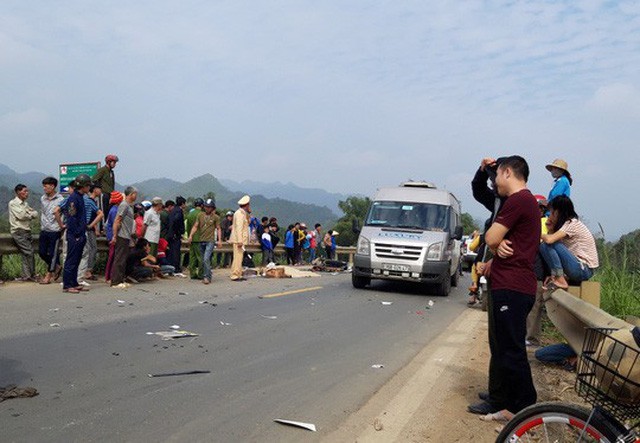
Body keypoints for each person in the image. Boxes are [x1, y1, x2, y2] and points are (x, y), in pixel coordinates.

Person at [467, 155, 539, 420]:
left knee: (511, 350)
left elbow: (491, 236)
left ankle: (522, 408)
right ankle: (508, 401)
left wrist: (495, 242)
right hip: (508, 283)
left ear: (507, 172)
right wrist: (494, 257)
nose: (495, 181)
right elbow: (508, 244)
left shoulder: (519, 199)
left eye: (497, 175)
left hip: (513, 287)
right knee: (503, 347)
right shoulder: (521, 201)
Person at [539, 195, 599, 290]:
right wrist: (550, 227)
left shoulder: (572, 224)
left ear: (557, 212)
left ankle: (559, 278)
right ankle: (558, 277)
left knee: (546, 244)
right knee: (546, 245)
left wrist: (536, 233)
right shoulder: (566, 225)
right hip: (579, 267)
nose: (549, 215)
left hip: (583, 269)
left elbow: (549, 240)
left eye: (551, 212)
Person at [62, 174, 91, 293]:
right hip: (75, 235)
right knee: (71, 260)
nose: (89, 188)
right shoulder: (73, 198)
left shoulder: (80, 197)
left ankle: (74, 282)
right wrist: (77, 234)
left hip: (80, 233)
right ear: (83, 186)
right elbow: (72, 218)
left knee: (77, 259)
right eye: (88, 185)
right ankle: (67, 285)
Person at [9, 184, 38, 281]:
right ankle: (32, 275)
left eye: (27, 191)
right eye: (25, 191)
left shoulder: (25, 204)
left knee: (26, 253)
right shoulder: (13, 203)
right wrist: (30, 214)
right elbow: (21, 216)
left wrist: (29, 214)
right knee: (29, 252)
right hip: (18, 231)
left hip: (26, 230)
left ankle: (27, 276)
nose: (27, 193)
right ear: (18, 192)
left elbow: (36, 213)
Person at [188, 198, 221, 284]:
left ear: (212, 208)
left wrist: (219, 240)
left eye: (209, 207)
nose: (207, 208)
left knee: (206, 258)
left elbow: (218, 228)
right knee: (203, 260)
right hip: (201, 240)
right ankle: (208, 274)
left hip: (210, 241)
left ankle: (206, 277)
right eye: (206, 206)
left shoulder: (216, 217)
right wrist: (191, 235)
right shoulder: (200, 215)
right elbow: (195, 226)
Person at [110, 186, 138, 288]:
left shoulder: (129, 206)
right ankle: (115, 282)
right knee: (119, 259)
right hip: (122, 235)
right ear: (131, 194)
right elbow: (117, 220)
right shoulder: (124, 205)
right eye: (135, 194)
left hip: (126, 236)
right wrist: (114, 235)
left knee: (123, 259)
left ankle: (120, 279)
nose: (136, 196)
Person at [39, 177, 64, 284]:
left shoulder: (60, 199)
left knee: (53, 254)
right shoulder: (42, 198)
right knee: (42, 252)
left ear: (52, 186)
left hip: (55, 230)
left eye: (46, 186)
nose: (44, 188)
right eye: (43, 186)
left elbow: (63, 214)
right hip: (44, 229)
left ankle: (48, 276)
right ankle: (57, 266)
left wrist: (61, 226)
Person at [77, 182, 103, 284]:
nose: (100, 191)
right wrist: (93, 227)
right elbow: (95, 215)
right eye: (99, 189)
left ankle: (86, 270)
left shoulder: (90, 200)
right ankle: (88, 271)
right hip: (88, 229)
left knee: (90, 249)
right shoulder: (90, 201)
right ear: (95, 189)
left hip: (88, 228)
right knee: (92, 249)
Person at [229, 195, 251, 281]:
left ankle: (238, 273)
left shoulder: (243, 213)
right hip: (239, 240)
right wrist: (239, 241)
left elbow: (248, 222)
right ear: (246, 205)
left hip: (240, 239)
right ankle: (235, 275)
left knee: (239, 257)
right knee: (238, 258)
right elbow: (239, 228)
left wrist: (249, 213)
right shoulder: (239, 214)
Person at [104, 191, 124, 283]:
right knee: (112, 257)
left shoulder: (113, 209)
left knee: (112, 256)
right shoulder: (115, 210)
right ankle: (109, 276)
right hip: (113, 236)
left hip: (111, 235)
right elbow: (115, 224)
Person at [167, 196, 186, 274]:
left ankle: (172, 267)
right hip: (175, 235)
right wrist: (177, 232)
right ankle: (176, 268)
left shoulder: (173, 210)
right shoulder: (179, 211)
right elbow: (176, 221)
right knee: (176, 252)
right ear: (182, 203)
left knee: (172, 251)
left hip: (171, 234)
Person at [186, 198, 204, 279]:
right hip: (200, 238)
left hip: (192, 238)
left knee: (192, 257)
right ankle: (200, 274)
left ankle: (192, 274)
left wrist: (190, 236)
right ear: (202, 205)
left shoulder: (190, 214)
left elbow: (188, 227)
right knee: (200, 257)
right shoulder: (202, 214)